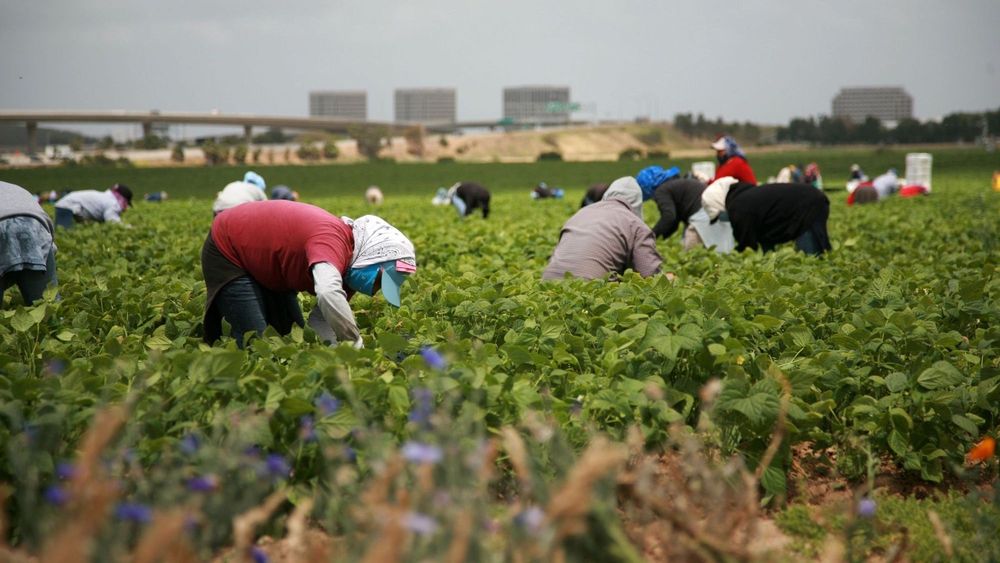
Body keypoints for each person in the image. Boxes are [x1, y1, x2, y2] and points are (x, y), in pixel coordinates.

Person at [201, 200, 417, 348]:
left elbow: (320, 323)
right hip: (228, 248)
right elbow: (327, 292)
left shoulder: (349, 272)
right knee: (255, 341)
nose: (375, 291)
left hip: (268, 267)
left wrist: (336, 354)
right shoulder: (332, 240)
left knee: (289, 335)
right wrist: (353, 343)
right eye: (380, 281)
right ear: (372, 257)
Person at [542, 177, 666, 280]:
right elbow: (649, 275)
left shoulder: (580, 213)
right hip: (588, 290)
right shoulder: (635, 224)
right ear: (637, 203)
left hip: (547, 286)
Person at [702, 177, 831, 256]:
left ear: (720, 205)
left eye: (719, 216)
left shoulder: (739, 207)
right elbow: (764, 234)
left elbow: (747, 245)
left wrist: (735, 259)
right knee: (815, 248)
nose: (723, 220)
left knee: (811, 255)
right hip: (812, 198)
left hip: (809, 204)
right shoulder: (744, 196)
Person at [637, 165, 735, 252]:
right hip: (718, 213)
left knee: (690, 254)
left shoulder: (661, 190)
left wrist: (650, 237)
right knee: (719, 253)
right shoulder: (677, 184)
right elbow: (674, 223)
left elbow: (669, 217)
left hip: (702, 216)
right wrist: (656, 237)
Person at [1, 181, 58, 306]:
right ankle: (54, 323)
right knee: (48, 307)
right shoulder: (12, 187)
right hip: (34, 226)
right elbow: (49, 243)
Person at [54, 184, 133, 228]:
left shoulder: (105, 198)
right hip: (68, 207)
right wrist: (128, 227)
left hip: (68, 205)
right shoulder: (113, 204)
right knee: (64, 231)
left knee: (68, 230)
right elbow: (112, 221)